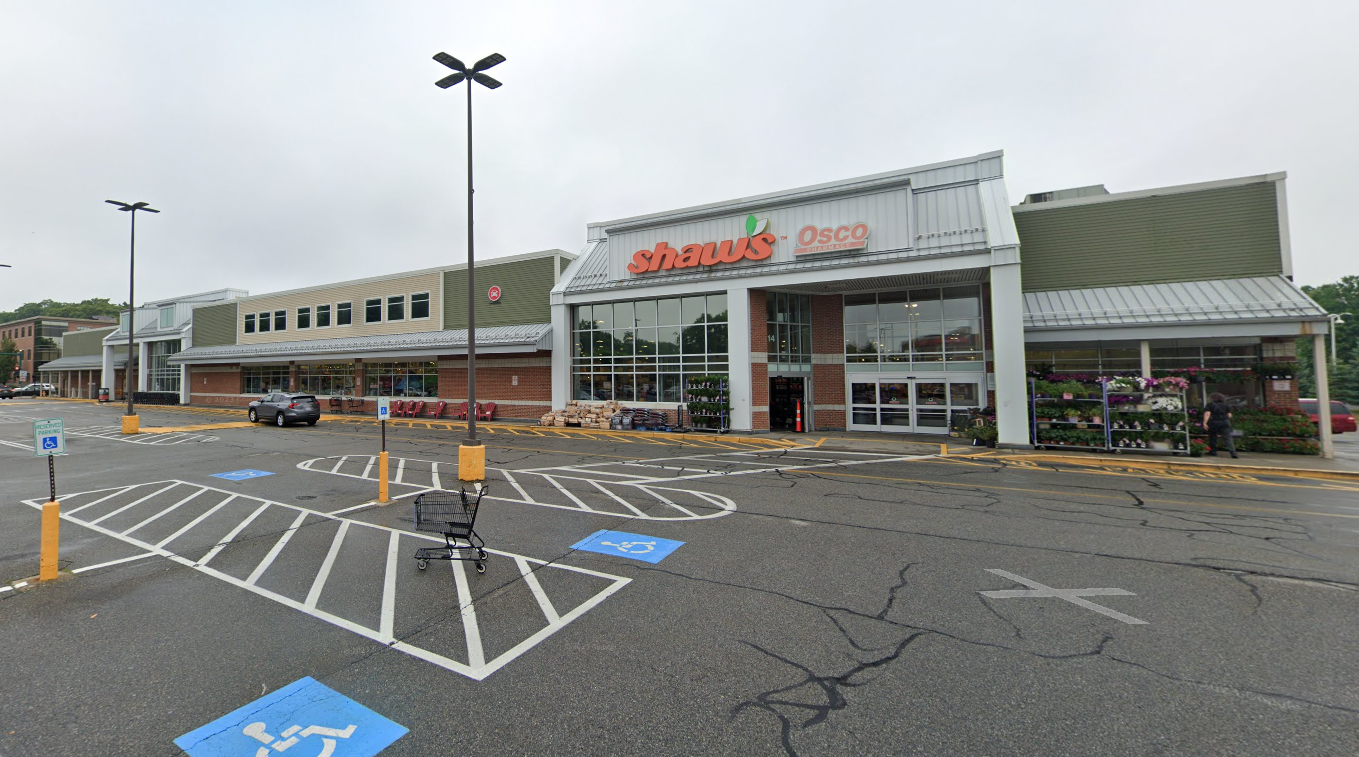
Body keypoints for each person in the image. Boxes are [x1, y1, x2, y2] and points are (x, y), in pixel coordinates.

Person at [1202, 392, 1239, 458]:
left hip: (1214, 422)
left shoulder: (1210, 405)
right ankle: (1233, 452)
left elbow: (1207, 414)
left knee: (1213, 436)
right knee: (1228, 437)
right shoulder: (1226, 405)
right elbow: (1229, 415)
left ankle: (1213, 451)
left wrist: (1205, 422)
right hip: (1225, 421)